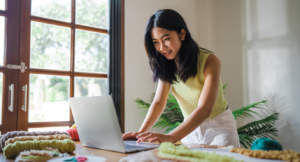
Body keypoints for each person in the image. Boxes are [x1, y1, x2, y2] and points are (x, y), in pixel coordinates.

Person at [122, 9, 240, 148]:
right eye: (155, 42)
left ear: (182, 34)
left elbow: (204, 109)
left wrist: (171, 137)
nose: (161, 47)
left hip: (219, 128)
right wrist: (140, 133)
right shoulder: (166, 64)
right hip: (189, 129)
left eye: (166, 39)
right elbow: (159, 102)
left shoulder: (210, 61)